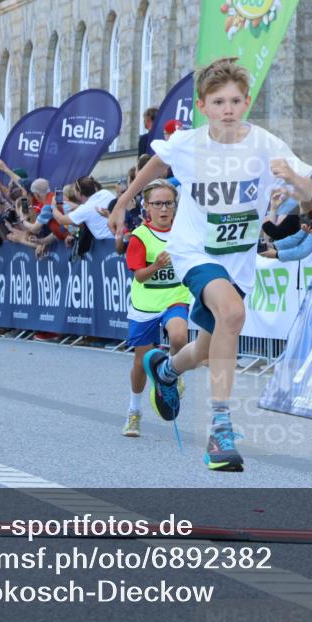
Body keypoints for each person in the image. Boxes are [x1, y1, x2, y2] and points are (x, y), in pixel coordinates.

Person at [108, 57, 312, 472]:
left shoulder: (266, 144)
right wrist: (124, 200)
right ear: (203, 106)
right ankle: (220, 428)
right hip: (194, 250)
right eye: (219, 101)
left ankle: (165, 368)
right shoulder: (189, 142)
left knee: (205, 347)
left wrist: (295, 180)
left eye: (236, 100)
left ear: (246, 102)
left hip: (237, 258)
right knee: (233, 314)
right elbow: (157, 164)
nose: (228, 109)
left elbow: (311, 199)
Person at [122, 179, 190, 438]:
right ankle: (134, 412)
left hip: (176, 296)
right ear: (147, 207)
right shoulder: (140, 236)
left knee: (179, 337)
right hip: (146, 301)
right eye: (158, 204)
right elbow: (139, 276)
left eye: (169, 204)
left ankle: (171, 374)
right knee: (141, 361)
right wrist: (157, 266)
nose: (164, 209)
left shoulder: (184, 232)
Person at [258, 194, 312, 261]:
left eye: (300, 206)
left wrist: (276, 254)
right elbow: (295, 238)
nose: (299, 209)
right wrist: (272, 245)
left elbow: (304, 249)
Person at [46, 176, 115, 240]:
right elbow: (79, 228)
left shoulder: (84, 209)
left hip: (107, 244)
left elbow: (61, 220)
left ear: (79, 193)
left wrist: (53, 205)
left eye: (75, 190)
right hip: (119, 238)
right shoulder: (106, 193)